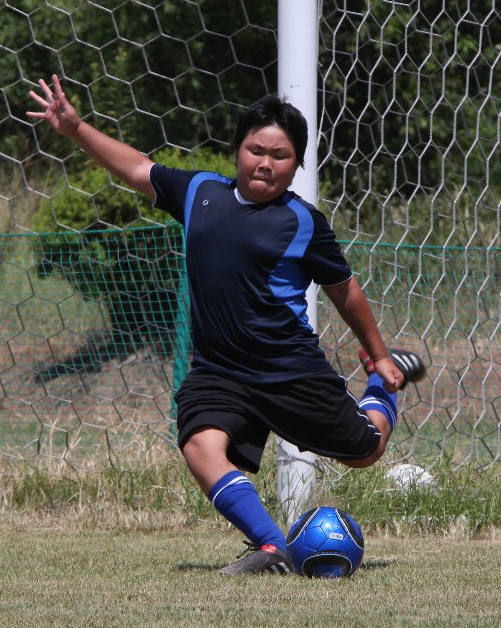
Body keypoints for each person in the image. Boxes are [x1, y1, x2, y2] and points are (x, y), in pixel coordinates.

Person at [27, 74, 426, 576]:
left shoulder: (303, 222)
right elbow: (137, 168)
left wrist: (380, 356)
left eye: (280, 155)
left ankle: (383, 382)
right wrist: (76, 128)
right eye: (256, 150)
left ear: (297, 164)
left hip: (289, 371)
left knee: (366, 452)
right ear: (237, 150)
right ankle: (270, 546)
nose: (265, 163)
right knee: (200, 444)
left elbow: (345, 290)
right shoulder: (199, 192)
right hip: (220, 371)